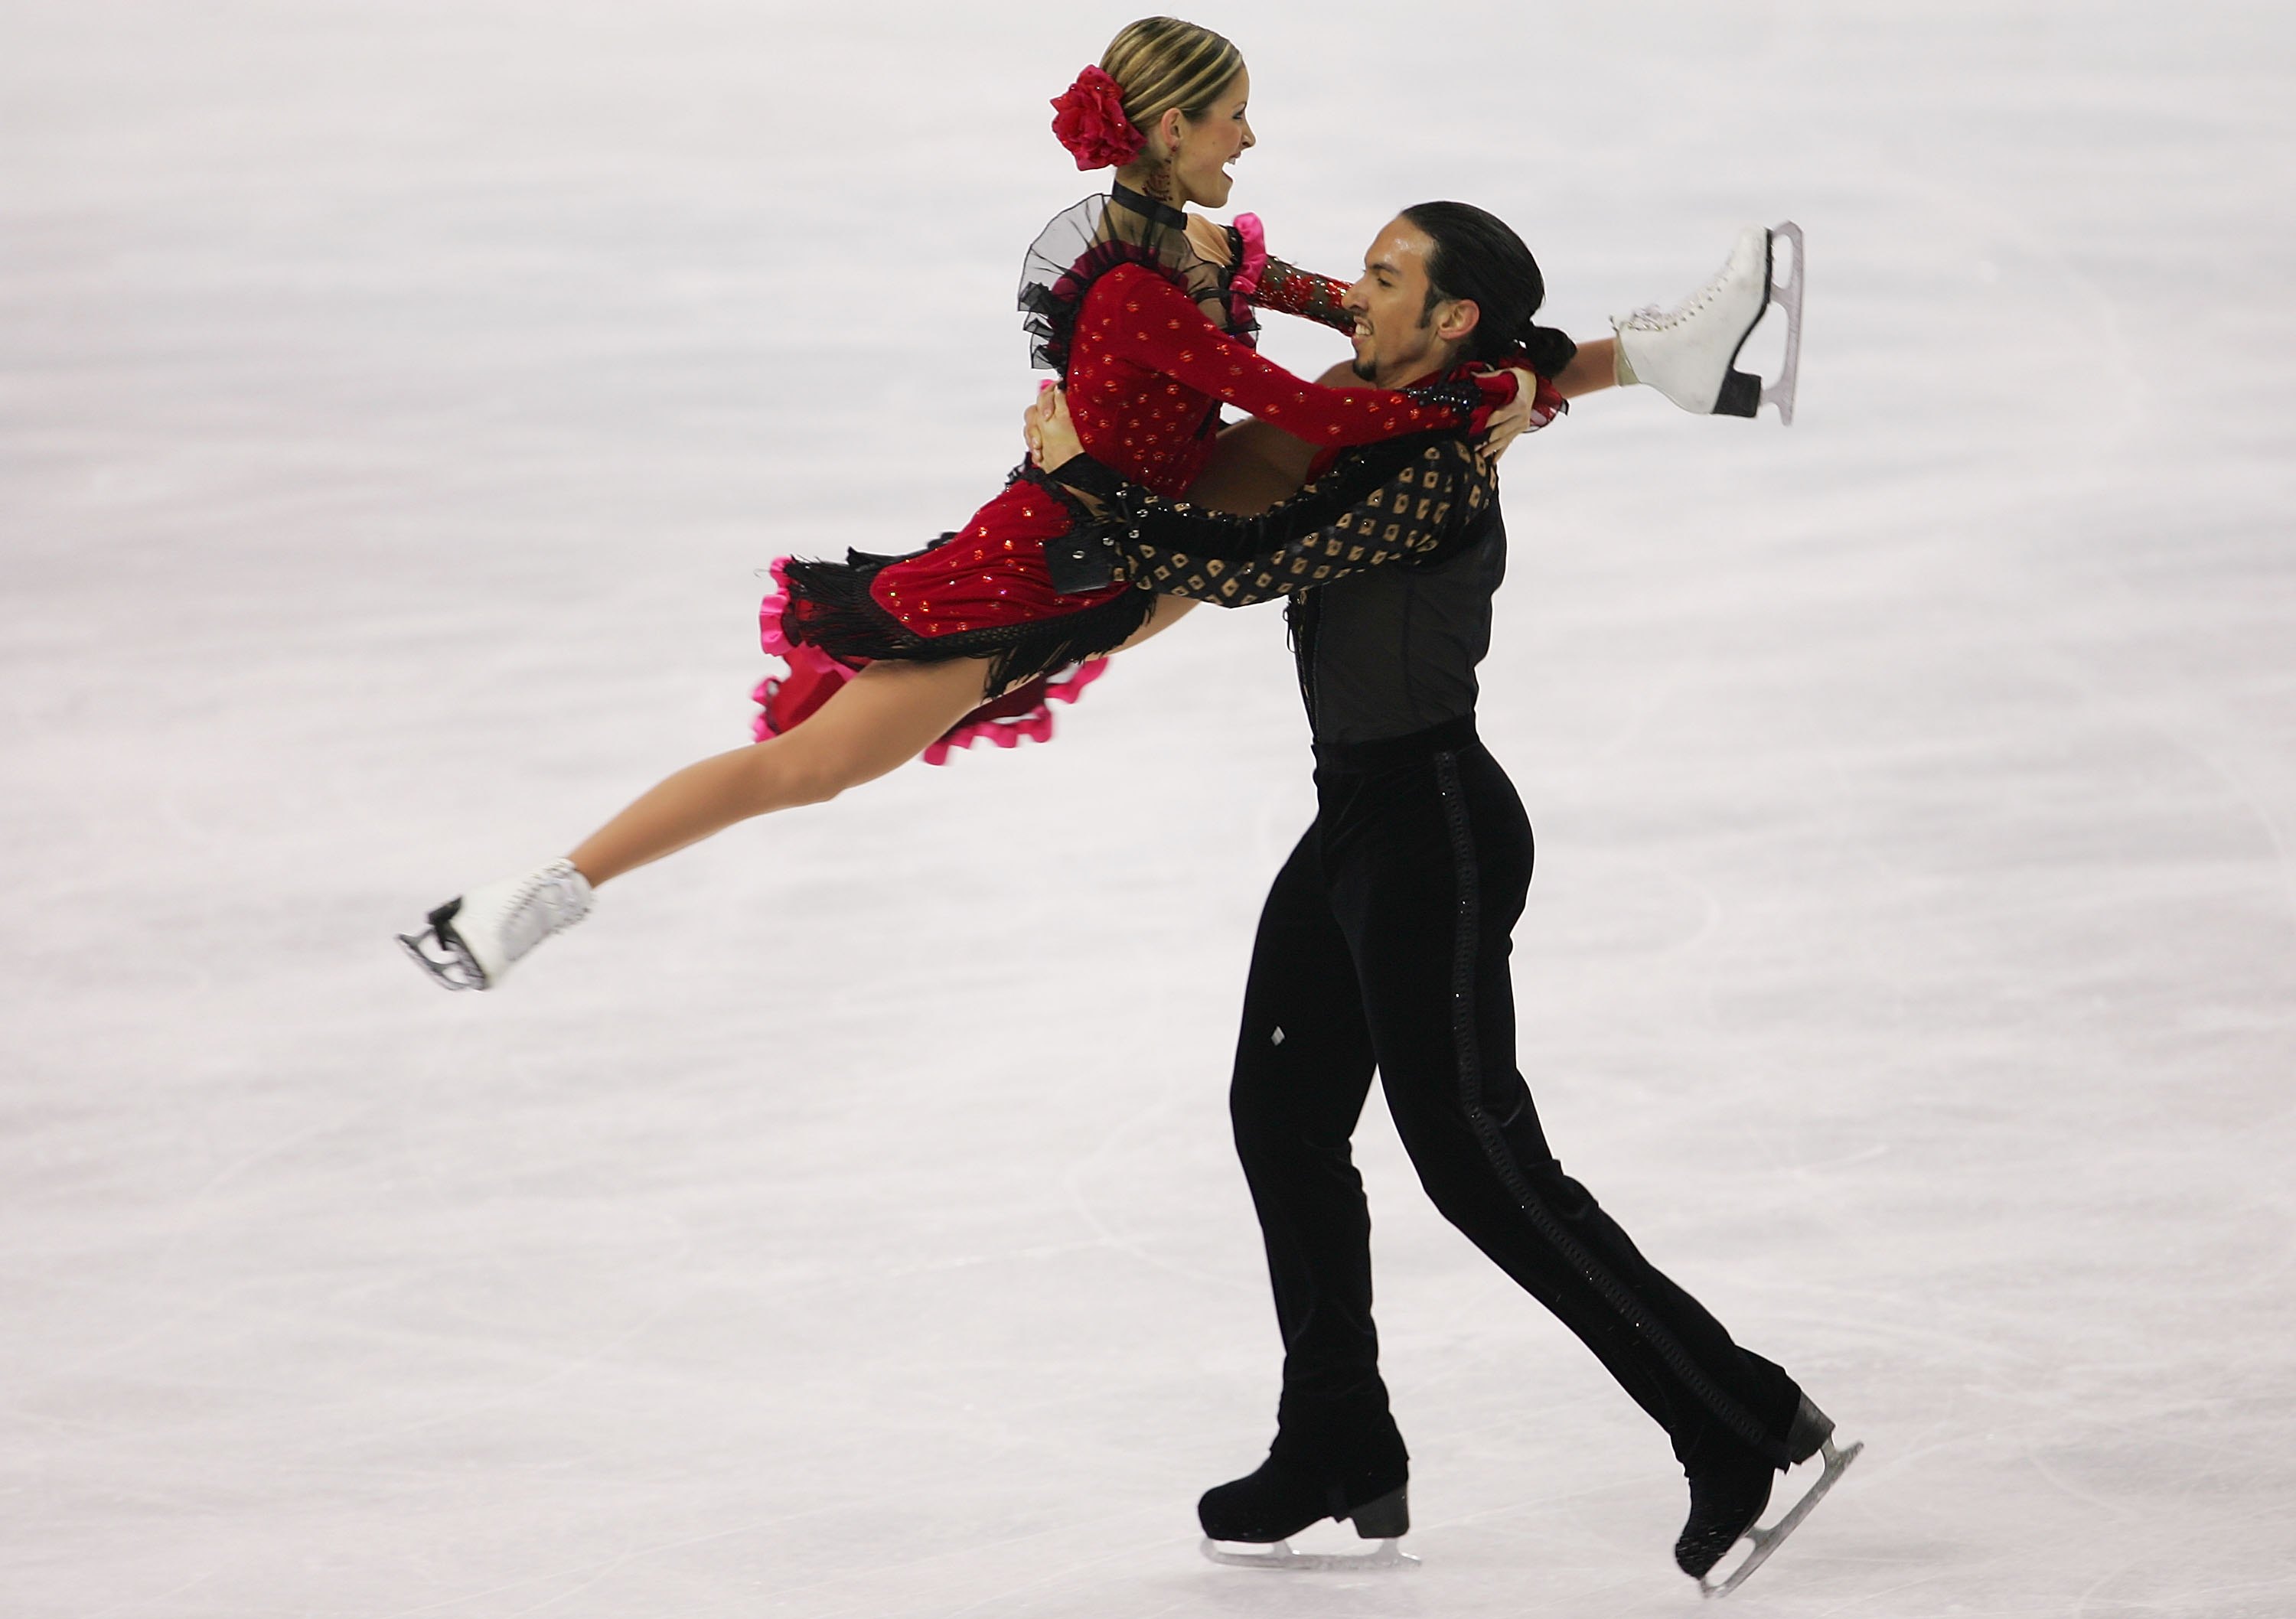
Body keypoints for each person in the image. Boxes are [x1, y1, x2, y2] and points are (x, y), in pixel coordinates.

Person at [1025, 200, 1854, 1594]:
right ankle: (1339, 1438)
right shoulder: (1422, 393)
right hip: (1358, 816)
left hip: (1434, 834)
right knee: (1283, 1116)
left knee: (1474, 1163)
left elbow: (1243, 569)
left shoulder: (1428, 463)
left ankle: (1740, 1419)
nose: (1359, 289)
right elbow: (1411, 356)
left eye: (1389, 276)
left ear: (1452, 319)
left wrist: (1083, 488)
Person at [396, 15, 1560, 993]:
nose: (1249, 137)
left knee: (1365, 375)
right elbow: (1318, 414)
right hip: (1051, 562)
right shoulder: (1144, 296)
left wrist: (1506, 375)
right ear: (1169, 131)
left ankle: (1642, 360)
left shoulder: (1202, 248)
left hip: (1143, 538)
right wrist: (1479, 395)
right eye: (1232, 117)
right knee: (812, 766)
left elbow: (1336, 318)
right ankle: (532, 899)